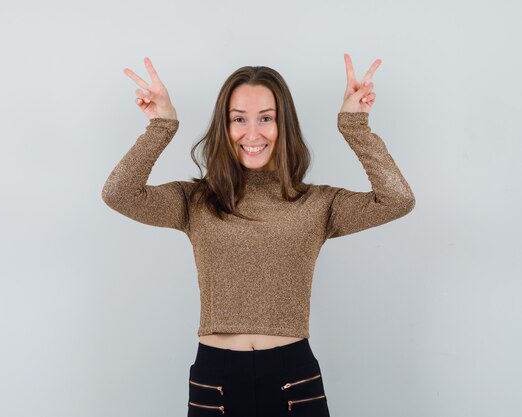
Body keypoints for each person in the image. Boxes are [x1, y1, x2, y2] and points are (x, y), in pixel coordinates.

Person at [102, 54, 415, 416]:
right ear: (224, 126)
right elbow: (118, 193)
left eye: (266, 118)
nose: (253, 133)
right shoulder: (195, 201)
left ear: (285, 126)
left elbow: (398, 200)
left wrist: (354, 125)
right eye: (239, 119)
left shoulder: (318, 204)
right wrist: (161, 126)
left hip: (293, 380)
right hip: (215, 380)